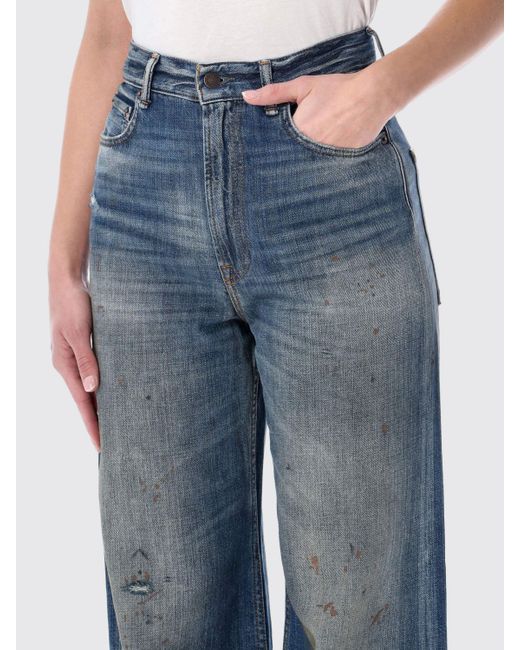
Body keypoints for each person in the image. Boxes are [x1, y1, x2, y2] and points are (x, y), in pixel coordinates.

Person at [48, 1, 503, 648]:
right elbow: (106, 31)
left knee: (359, 608)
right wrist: (64, 264)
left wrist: (382, 88)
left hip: (329, 180)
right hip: (143, 189)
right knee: (164, 609)